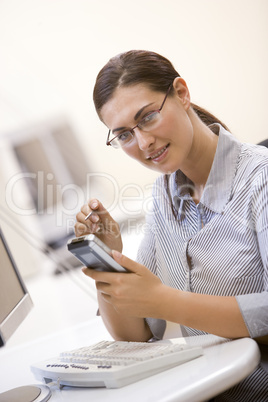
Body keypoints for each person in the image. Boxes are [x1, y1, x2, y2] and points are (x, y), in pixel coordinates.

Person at [75, 50, 268, 401]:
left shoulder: (260, 179)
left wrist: (166, 301)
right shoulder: (165, 194)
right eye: (124, 135)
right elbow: (135, 334)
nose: (143, 143)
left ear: (181, 93)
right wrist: (108, 256)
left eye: (147, 117)